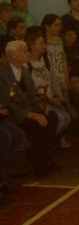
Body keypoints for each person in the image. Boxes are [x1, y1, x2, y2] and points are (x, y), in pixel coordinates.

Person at [0, 40, 58, 177]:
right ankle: (39, 165)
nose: (28, 54)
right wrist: (30, 114)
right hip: (14, 113)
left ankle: (46, 158)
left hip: (28, 108)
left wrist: (41, 106)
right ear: (14, 55)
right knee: (37, 124)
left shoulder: (25, 71)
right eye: (24, 51)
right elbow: (7, 102)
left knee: (52, 117)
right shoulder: (2, 73)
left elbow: (32, 95)